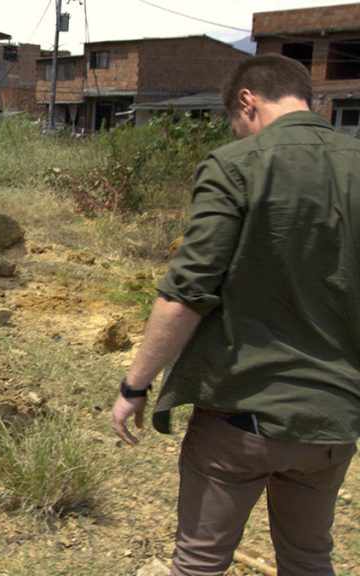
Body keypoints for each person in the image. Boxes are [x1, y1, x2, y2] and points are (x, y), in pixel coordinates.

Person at [111, 54, 360, 576]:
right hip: (329, 424)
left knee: (200, 562)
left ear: (247, 101)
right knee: (309, 558)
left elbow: (188, 291)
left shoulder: (237, 166)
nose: (239, 133)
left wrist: (136, 385)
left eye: (236, 123)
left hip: (240, 420)